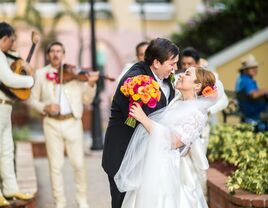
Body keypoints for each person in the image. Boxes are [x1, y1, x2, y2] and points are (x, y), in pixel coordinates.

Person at [115, 66, 224, 208]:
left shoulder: (197, 114)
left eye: (187, 74)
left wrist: (144, 119)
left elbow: (173, 142)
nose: (181, 75)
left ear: (197, 86)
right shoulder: (177, 102)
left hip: (170, 169)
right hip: (154, 160)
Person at [102, 38, 179, 208]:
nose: (175, 68)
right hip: (123, 154)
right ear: (157, 62)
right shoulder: (135, 80)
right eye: (172, 64)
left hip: (148, 153)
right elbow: (146, 117)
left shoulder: (166, 78)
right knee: (123, 203)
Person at [29, 41, 99, 208]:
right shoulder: (40, 74)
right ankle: (59, 202)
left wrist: (91, 84)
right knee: (55, 166)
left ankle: (82, 200)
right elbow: (32, 100)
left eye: (59, 51)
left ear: (63, 54)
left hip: (73, 122)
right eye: (52, 51)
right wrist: (45, 107)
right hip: (51, 124)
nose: (55, 54)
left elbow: (87, 99)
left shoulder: (74, 73)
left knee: (79, 164)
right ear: (48, 55)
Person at [0, 22, 34, 206]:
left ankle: (11, 188)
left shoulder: (3, 55)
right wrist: (30, 80)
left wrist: (13, 49)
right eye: (11, 40)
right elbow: (8, 78)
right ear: (4, 39)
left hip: (5, 108)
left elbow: (18, 61)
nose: (12, 43)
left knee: (7, 150)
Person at [235, 54, 268, 131]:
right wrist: (265, 90)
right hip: (255, 117)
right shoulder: (247, 81)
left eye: (256, 67)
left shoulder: (240, 78)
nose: (255, 69)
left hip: (249, 115)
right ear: (245, 70)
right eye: (252, 68)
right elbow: (254, 94)